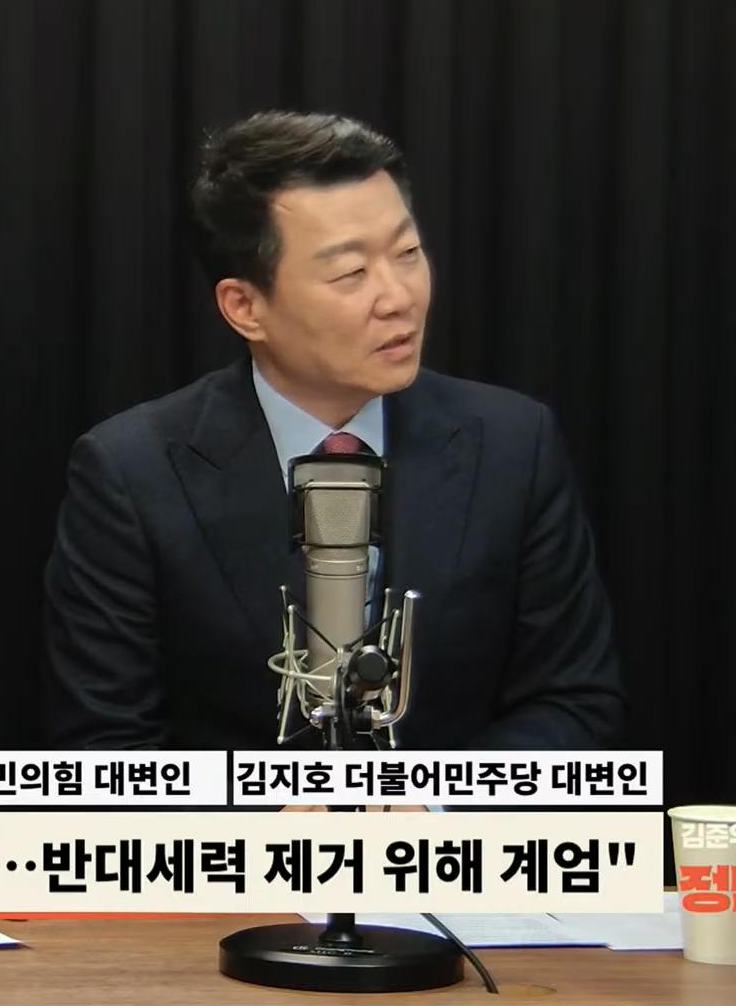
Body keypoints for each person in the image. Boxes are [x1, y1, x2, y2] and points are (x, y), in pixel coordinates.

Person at [41, 109, 623, 754]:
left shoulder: (513, 444)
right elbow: (105, 744)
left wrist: (429, 799)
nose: (398, 297)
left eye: (407, 253)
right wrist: (274, 804)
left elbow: (574, 702)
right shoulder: (132, 472)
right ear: (245, 307)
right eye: (350, 274)